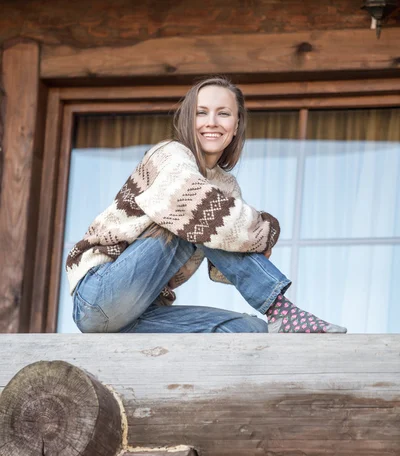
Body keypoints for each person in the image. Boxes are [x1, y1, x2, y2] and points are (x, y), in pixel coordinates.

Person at [66, 76, 347, 335]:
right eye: (201, 113)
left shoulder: (226, 187)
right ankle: (281, 310)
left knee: (251, 330)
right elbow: (209, 217)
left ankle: (282, 330)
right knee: (201, 214)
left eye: (223, 113)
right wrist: (267, 229)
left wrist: (247, 234)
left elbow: (223, 265)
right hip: (99, 295)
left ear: (236, 125)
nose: (211, 122)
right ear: (188, 120)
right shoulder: (170, 155)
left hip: (143, 312)